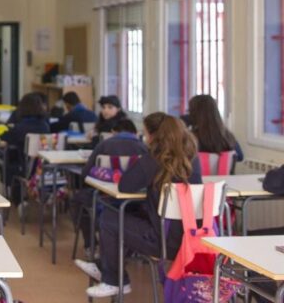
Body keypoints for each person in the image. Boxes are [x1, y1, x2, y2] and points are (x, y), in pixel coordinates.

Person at [75, 113, 203, 298]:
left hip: (164, 242)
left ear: (154, 136)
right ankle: (103, 266)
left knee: (111, 218)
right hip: (192, 239)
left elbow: (125, 185)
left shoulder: (153, 160)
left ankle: (115, 281)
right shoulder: (193, 159)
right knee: (132, 216)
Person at [72, 119, 149, 254]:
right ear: (135, 133)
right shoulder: (144, 148)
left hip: (104, 198)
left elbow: (85, 174)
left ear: (113, 132)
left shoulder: (104, 145)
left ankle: (90, 245)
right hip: (135, 202)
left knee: (78, 199)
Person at [0, 93, 51, 200]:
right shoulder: (45, 126)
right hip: (43, 167)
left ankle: (17, 199)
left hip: (24, 167)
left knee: (8, 156)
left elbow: (3, 136)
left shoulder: (20, 128)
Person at [187, 94, 244, 164]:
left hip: (198, 174)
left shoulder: (191, 138)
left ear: (194, 113)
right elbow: (240, 157)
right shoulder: (227, 136)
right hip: (224, 175)